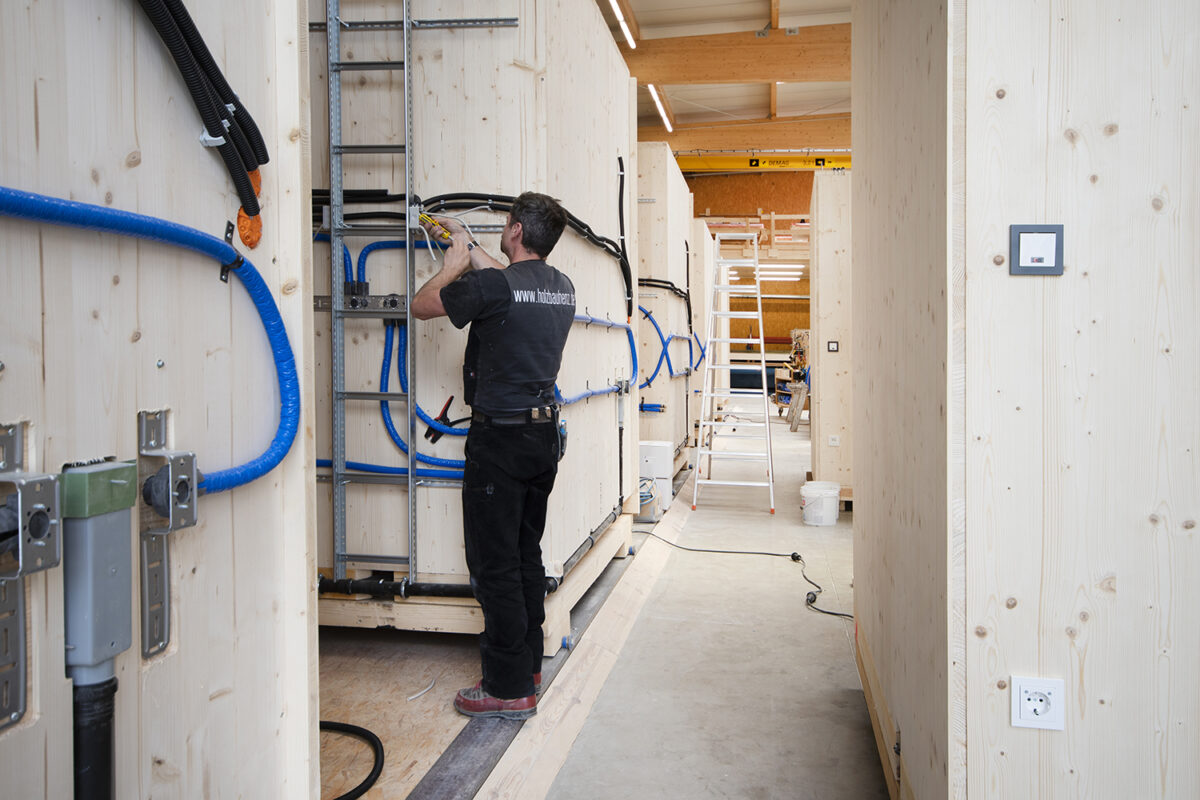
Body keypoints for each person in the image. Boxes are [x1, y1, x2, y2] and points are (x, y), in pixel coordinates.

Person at [411, 192, 576, 719]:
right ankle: (527, 663)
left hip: (499, 442)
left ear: (515, 233)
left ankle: (507, 687)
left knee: (494, 564)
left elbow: (423, 305)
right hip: (542, 439)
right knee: (526, 554)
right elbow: (507, 283)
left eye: (506, 227)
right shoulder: (560, 288)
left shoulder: (491, 287)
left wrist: (453, 264)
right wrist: (472, 246)